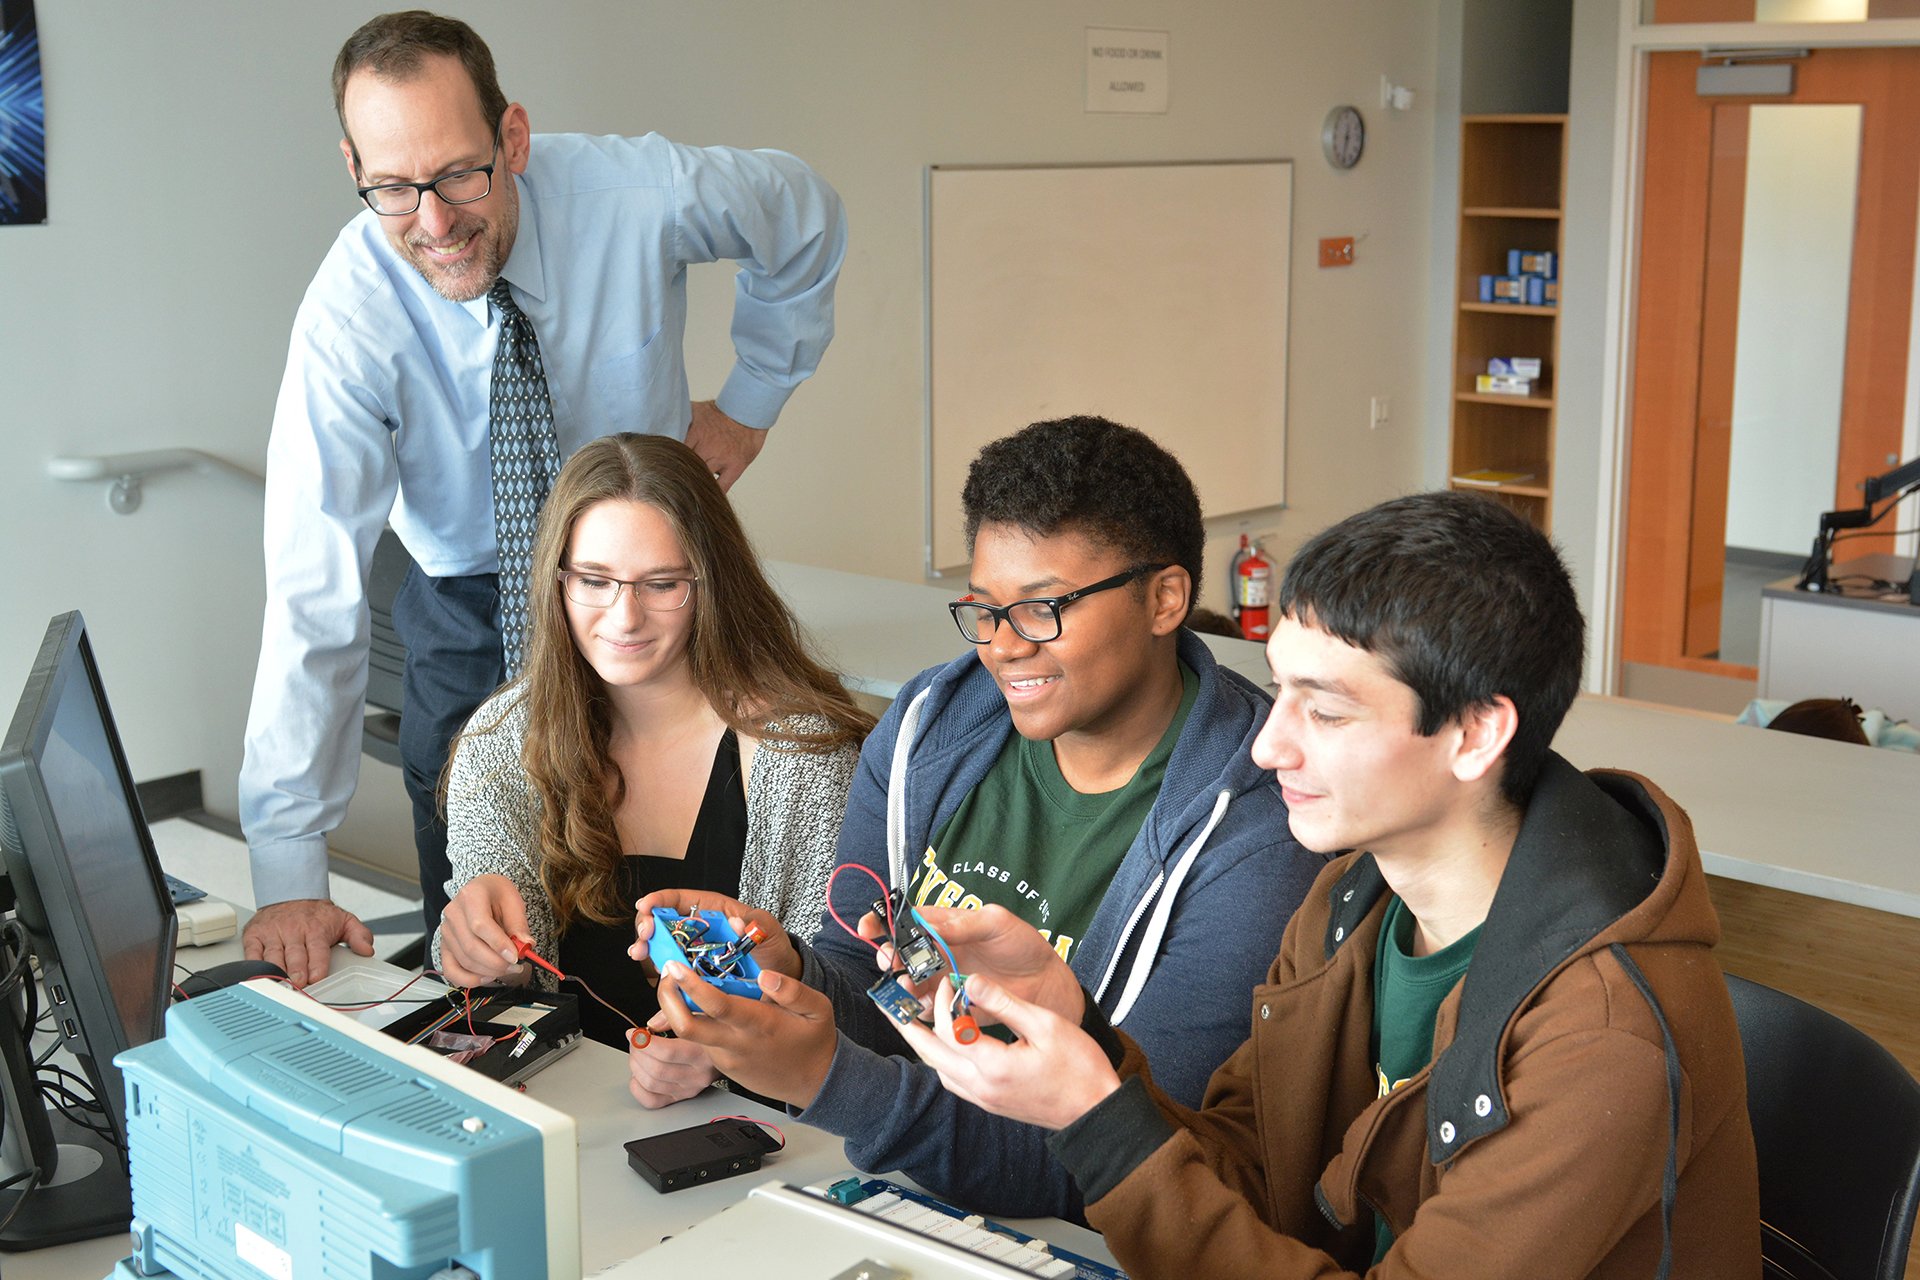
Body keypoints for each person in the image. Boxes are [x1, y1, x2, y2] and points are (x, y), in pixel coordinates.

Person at [896, 490, 1761, 1278]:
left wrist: (1097, 1123)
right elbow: (1252, 1174)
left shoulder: (1603, 1038)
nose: (1269, 747)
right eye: (1278, 692)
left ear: (1475, 733)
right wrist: (1078, 1026)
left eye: (1328, 710)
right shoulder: (1350, 901)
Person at [238, 11, 847, 985]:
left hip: (649, 580)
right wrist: (288, 872)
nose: (433, 222)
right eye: (393, 188)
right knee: (487, 938)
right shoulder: (347, 320)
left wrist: (751, 400)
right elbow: (312, 594)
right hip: (470, 606)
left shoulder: (639, 194)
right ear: (352, 165)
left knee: (708, 862)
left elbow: (803, 212)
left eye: (459, 175)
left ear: (512, 138)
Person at [630, 417, 1324, 1219]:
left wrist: (826, 1079)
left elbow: (1133, 1157)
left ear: (1165, 598)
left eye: (1041, 609)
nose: (1001, 647)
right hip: (906, 1189)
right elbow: (873, 985)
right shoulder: (931, 724)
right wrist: (788, 974)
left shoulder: (1261, 821)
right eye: (984, 608)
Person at [428, 433, 870, 1049]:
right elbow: (495, 996)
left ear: (712, 585)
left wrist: (722, 1061)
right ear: (556, 583)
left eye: (661, 584)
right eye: (594, 579)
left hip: (757, 1119)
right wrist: (475, 950)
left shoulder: (803, 755)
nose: (624, 616)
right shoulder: (501, 741)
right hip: (569, 1099)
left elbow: (841, 999)